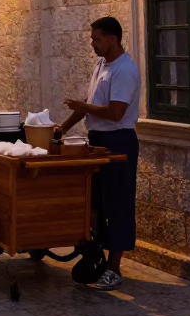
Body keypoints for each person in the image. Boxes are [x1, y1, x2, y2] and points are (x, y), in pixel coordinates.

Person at [56, 16, 141, 291]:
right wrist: (62, 128)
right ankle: (97, 255)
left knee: (118, 205)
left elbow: (116, 113)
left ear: (112, 39)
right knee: (94, 202)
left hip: (119, 141)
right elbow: (90, 104)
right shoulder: (102, 64)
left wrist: (85, 106)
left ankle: (114, 269)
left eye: (96, 39)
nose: (92, 44)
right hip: (99, 139)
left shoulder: (125, 70)